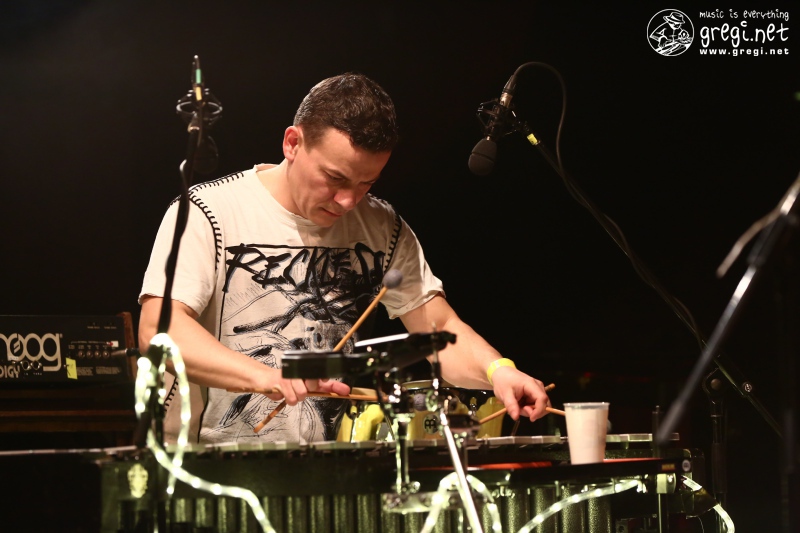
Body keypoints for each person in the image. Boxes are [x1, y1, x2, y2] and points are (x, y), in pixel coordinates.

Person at [138, 72, 551, 445]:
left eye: (366, 183)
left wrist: (498, 371)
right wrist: (267, 377)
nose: (348, 200)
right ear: (292, 143)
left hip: (329, 466)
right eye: (335, 178)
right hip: (205, 465)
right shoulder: (207, 212)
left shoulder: (381, 227)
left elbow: (439, 329)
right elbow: (159, 330)